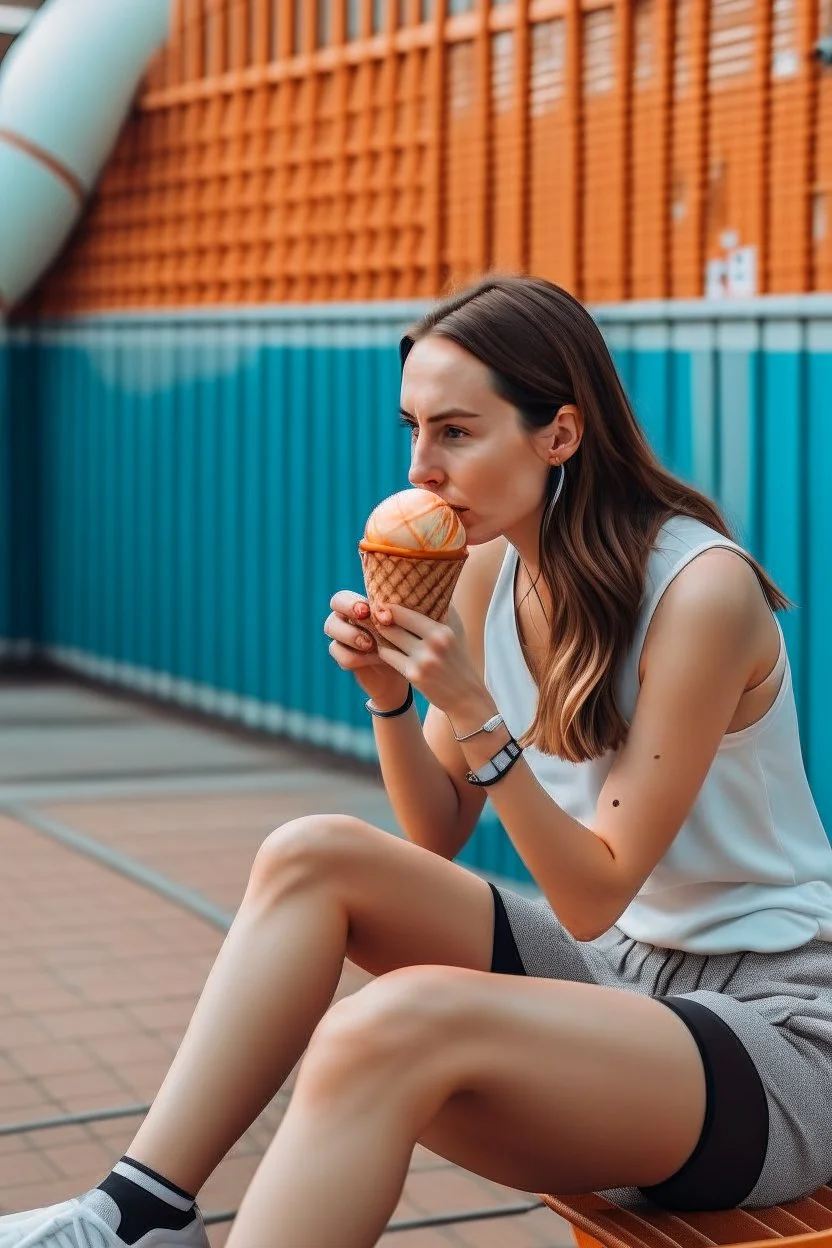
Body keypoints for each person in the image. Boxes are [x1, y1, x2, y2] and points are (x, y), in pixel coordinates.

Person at [3, 275, 832, 1248]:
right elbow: (437, 830)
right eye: (413, 429)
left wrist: (477, 713)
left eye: (456, 432)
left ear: (557, 435)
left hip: (776, 1035)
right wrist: (391, 696)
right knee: (312, 852)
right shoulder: (487, 569)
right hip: (623, 983)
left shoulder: (700, 592)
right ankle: (138, 1216)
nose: (420, 468)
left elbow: (592, 891)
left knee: (382, 1025)